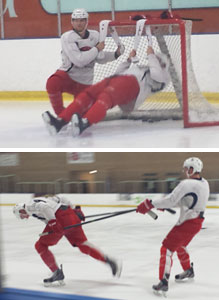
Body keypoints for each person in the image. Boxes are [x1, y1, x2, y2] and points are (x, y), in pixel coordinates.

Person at [42, 46, 170, 136]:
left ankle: (85, 123)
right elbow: (119, 72)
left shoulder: (164, 77)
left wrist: (151, 55)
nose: (153, 61)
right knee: (87, 95)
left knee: (106, 97)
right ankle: (60, 121)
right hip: (118, 79)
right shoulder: (144, 68)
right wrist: (128, 61)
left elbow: (157, 74)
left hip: (133, 85)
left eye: (157, 60)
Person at [136, 157, 209, 296]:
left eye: (187, 168)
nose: (186, 171)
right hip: (197, 223)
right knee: (180, 245)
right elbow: (187, 200)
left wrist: (149, 204)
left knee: (167, 248)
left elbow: (171, 200)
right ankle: (188, 270)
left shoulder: (187, 184)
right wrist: (161, 205)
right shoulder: (205, 183)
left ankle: (163, 281)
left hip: (187, 223)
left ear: (193, 169)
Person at [13, 193, 122, 286]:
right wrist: (76, 210)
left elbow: (45, 208)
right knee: (82, 244)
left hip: (61, 219)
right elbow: (61, 198)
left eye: (21, 216)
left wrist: (53, 223)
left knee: (40, 245)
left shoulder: (29, 206)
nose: (24, 218)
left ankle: (56, 272)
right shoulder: (41, 200)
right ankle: (107, 260)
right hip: (70, 215)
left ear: (21, 210)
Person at [45, 8, 124, 116]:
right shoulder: (67, 37)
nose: (79, 23)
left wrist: (116, 54)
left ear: (87, 22)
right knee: (52, 83)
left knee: (82, 114)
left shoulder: (95, 36)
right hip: (69, 76)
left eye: (82, 20)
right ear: (72, 22)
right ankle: (61, 115)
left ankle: (73, 115)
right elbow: (79, 60)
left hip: (85, 81)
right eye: (76, 20)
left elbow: (100, 58)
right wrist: (97, 49)